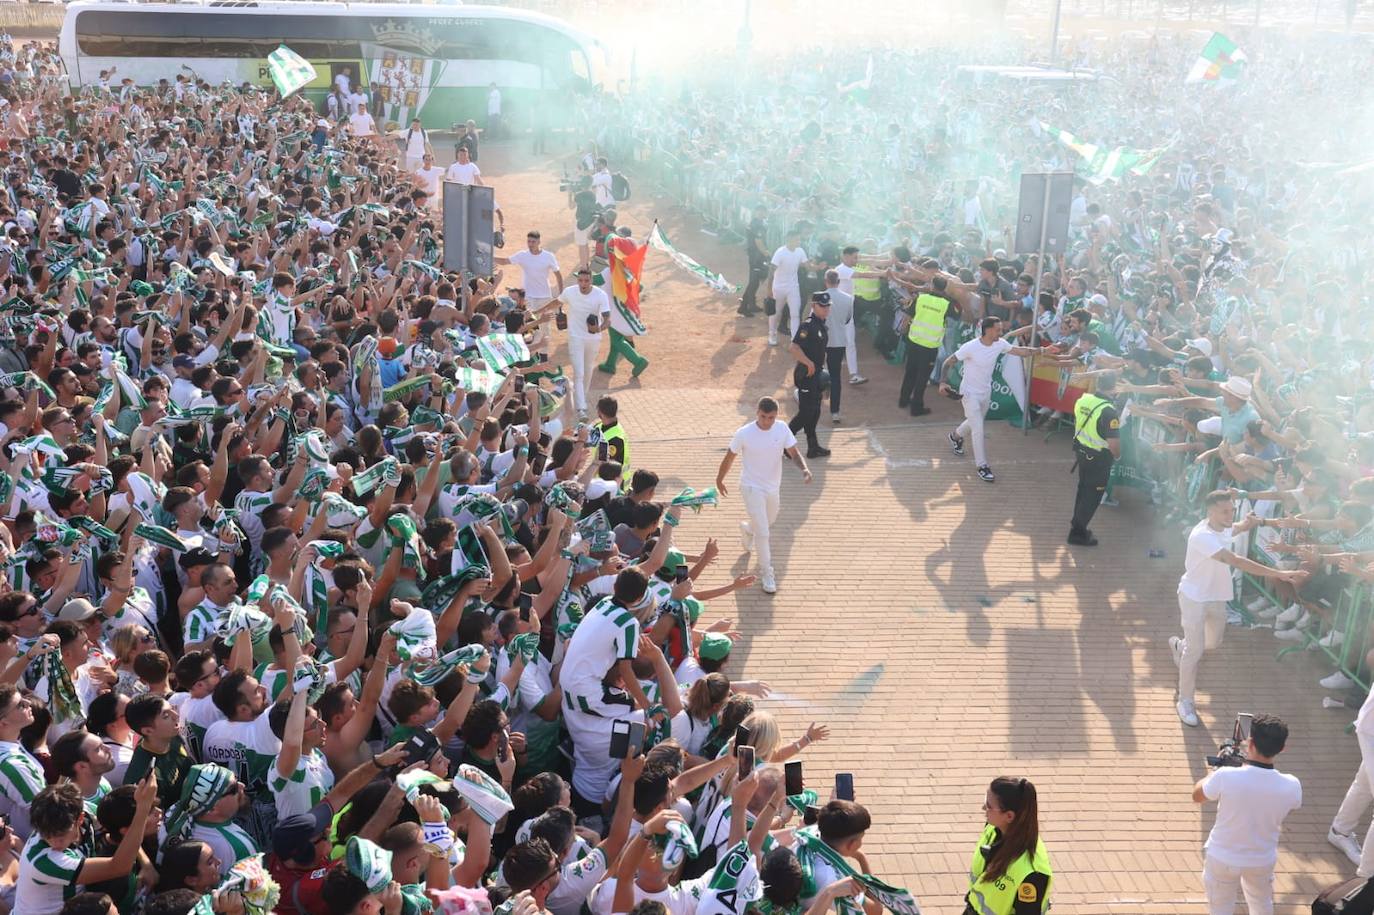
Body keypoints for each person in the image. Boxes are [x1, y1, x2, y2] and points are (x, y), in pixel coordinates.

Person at [1171, 492, 1301, 727]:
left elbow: (1235, 528)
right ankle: (1185, 700)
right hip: (1193, 597)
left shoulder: (1222, 526)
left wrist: (1247, 522)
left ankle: (1180, 647)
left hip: (1216, 598)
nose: (1230, 515)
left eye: (1232, 510)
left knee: (1212, 643)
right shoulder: (1203, 536)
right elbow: (1238, 561)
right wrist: (1279, 574)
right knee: (1196, 651)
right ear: (1210, 511)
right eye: (1225, 511)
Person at [1192, 714, 1302, 915]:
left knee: (1220, 909)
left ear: (1250, 743)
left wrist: (1216, 770)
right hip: (1261, 859)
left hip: (1222, 858)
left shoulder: (1225, 776)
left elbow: (1197, 795)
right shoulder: (1292, 785)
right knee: (1262, 905)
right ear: (1282, 748)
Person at [716, 397, 813, 594]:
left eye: (771, 417)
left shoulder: (782, 428)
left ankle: (747, 528)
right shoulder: (744, 433)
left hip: (772, 487)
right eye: (763, 417)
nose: (767, 421)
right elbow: (729, 456)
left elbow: (793, 453)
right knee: (764, 532)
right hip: (751, 487)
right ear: (757, 412)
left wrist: (804, 469)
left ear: (776, 416)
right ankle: (767, 573)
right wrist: (720, 479)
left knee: (768, 521)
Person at [938, 317, 1042, 484]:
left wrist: (1042, 351)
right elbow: (948, 362)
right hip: (969, 393)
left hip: (986, 392)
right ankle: (982, 466)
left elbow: (1020, 351)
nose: (1000, 333)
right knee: (978, 427)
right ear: (987, 330)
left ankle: (955, 436)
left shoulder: (1000, 344)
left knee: (974, 422)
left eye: (1001, 329)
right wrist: (943, 382)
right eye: (997, 330)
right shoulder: (970, 347)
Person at [964, 777, 1052, 915]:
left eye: (989, 805)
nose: (983, 808)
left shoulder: (1032, 873)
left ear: (1009, 816)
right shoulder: (993, 829)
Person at [1066, 373, 1121, 546]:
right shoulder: (1109, 411)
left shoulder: (1083, 400)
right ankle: (1077, 533)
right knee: (1092, 496)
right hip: (1099, 458)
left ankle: (1077, 523)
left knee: (1083, 490)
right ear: (1114, 387)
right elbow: (1114, 443)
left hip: (1081, 453)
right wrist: (1118, 456)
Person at [551, 268, 610, 421]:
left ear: (591, 281)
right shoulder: (570, 292)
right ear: (577, 280)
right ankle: (581, 408)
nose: (583, 284)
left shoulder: (600, 295)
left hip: (593, 338)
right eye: (580, 280)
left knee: (588, 370)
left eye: (586, 281)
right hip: (575, 337)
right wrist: (538, 311)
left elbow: (607, 318)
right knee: (579, 372)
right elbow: (557, 302)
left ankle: (579, 396)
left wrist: (599, 328)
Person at [898, 275, 957, 418]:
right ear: (945, 288)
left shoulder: (920, 298)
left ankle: (903, 400)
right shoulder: (947, 303)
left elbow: (907, 317)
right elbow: (956, 316)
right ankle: (916, 408)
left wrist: (903, 330)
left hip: (914, 341)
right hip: (930, 346)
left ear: (931, 285)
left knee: (910, 372)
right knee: (922, 377)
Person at [788, 292, 831, 459]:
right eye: (822, 305)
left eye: (828, 306)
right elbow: (793, 347)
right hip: (806, 375)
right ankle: (783, 446)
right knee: (805, 413)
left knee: (815, 412)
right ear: (813, 306)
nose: (826, 309)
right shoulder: (808, 325)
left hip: (816, 375)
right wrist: (808, 362)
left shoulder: (820, 324)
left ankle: (813, 447)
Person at [820, 271, 855, 425]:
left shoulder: (819, 297)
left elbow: (812, 318)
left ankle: (814, 404)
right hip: (839, 341)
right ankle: (835, 412)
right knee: (836, 377)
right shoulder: (848, 299)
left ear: (825, 281)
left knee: (815, 372)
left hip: (820, 341)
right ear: (838, 281)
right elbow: (847, 319)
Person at [497, 231, 564, 311]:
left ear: (539, 242)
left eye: (533, 242)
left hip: (545, 296)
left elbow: (558, 276)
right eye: (529, 241)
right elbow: (504, 261)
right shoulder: (522, 255)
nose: (530, 244)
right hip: (528, 297)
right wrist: (488, 256)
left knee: (544, 322)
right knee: (530, 322)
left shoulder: (549, 256)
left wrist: (561, 295)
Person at [767, 230, 810, 346]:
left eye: (799, 239)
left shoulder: (800, 251)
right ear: (789, 239)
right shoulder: (780, 252)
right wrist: (769, 288)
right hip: (778, 287)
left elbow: (807, 266)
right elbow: (772, 270)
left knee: (795, 313)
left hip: (793, 287)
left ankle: (795, 339)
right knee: (776, 312)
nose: (799, 241)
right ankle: (772, 335)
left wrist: (818, 267)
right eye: (797, 239)